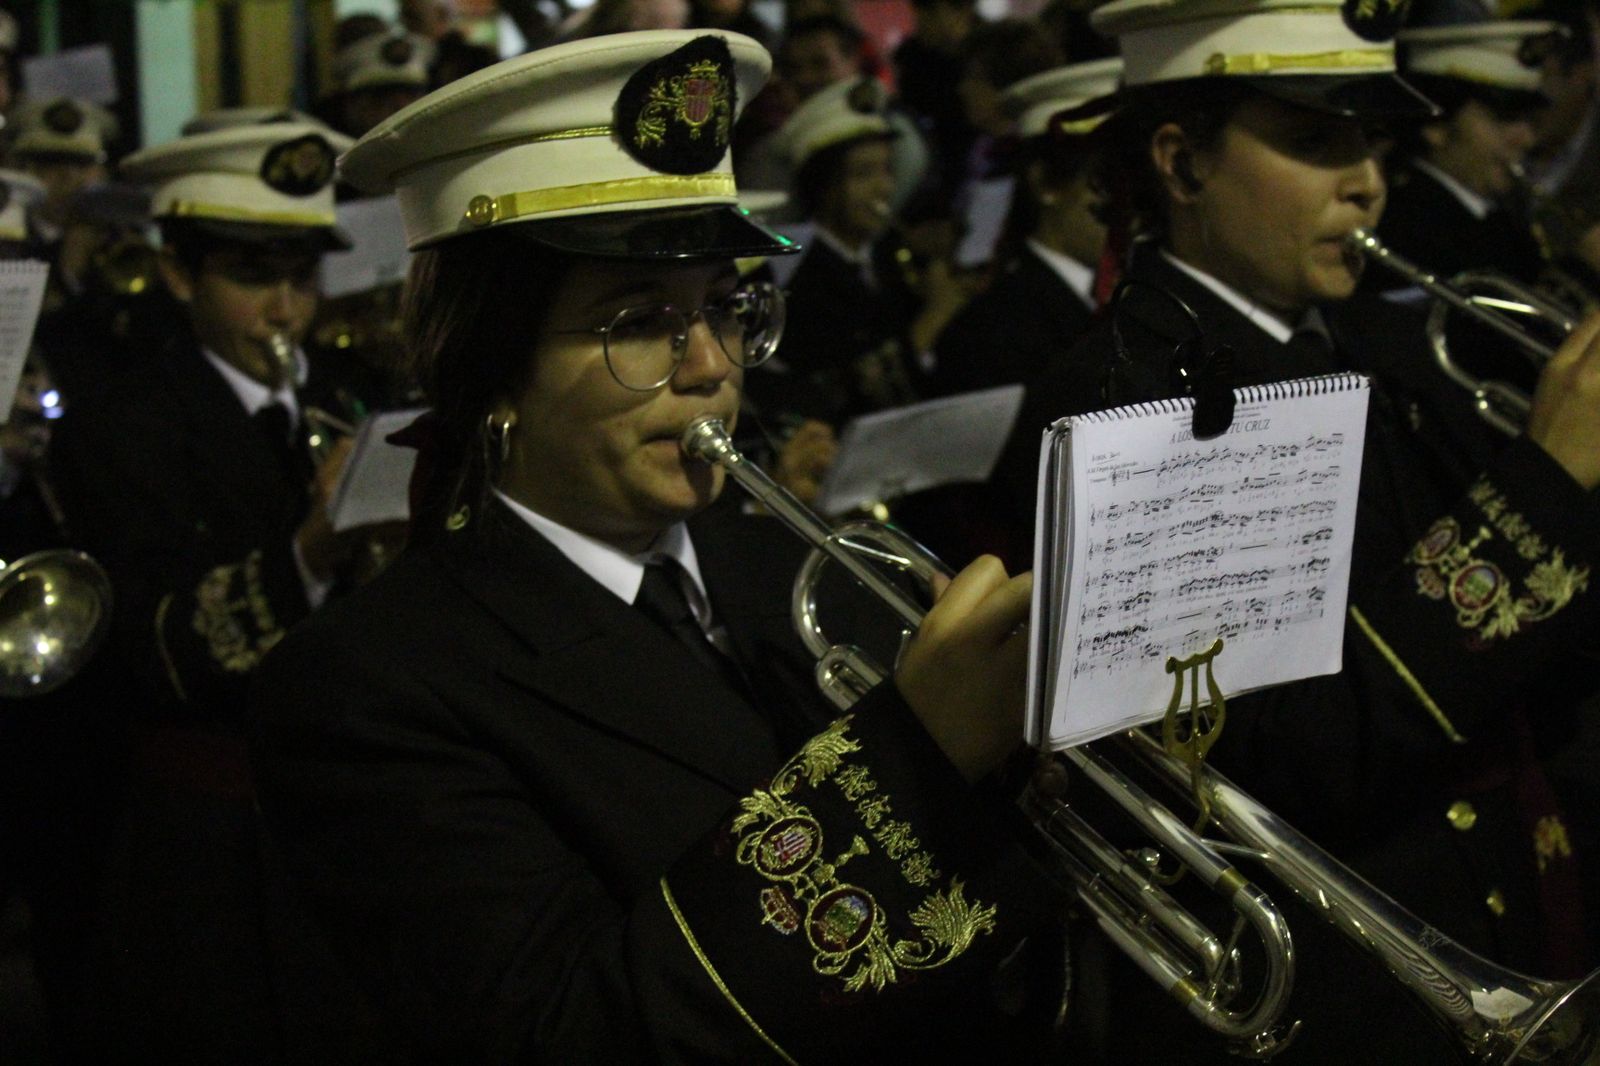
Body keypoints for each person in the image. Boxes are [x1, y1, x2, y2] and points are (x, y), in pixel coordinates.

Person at [250, 30, 1060, 1063]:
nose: (714, 366)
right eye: (642, 321)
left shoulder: (794, 569)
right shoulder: (367, 688)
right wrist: (914, 756)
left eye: (727, 306)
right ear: (490, 367)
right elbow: (575, 1028)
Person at [999, 1, 1600, 1062]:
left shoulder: (1384, 339)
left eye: (1369, 142)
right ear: (1181, 164)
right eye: (1318, 143)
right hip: (1336, 1001)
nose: (1366, 180)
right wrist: (1546, 485)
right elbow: (1298, 756)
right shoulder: (1120, 401)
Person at [44, 118, 393, 1061]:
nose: (285, 310)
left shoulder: (355, 390)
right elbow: (153, 651)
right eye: (252, 277)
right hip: (209, 839)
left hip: (357, 813)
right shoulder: (123, 425)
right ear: (178, 276)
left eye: (302, 276)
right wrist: (314, 551)